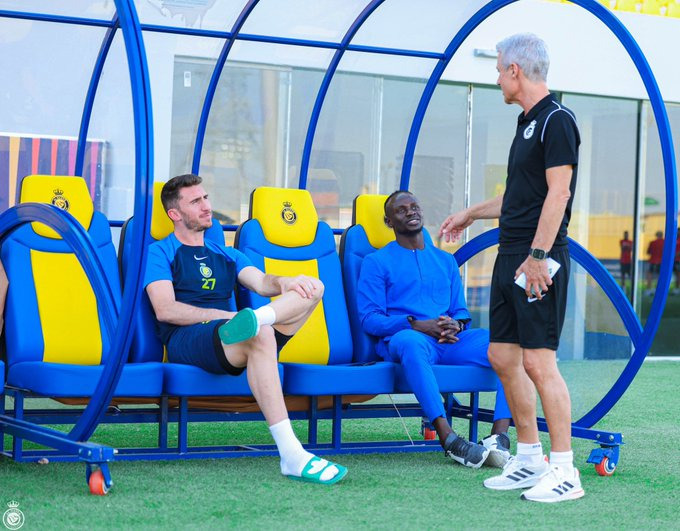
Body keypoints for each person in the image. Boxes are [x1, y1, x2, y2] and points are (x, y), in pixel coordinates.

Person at [440, 33, 584, 502]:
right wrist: (469, 213)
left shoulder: (557, 121)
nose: (497, 76)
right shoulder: (526, 123)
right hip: (510, 257)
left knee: (540, 363)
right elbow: (518, 197)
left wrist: (539, 257)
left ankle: (565, 472)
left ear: (516, 71)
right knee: (504, 357)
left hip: (536, 260)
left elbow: (559, 195)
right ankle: (529, 459)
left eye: (499, 68)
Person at [144, 173, 347, 485]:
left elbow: (263, 282)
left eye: (206, 197)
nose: (206, 206)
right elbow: (165, 309)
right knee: (258, 331)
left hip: (234, 335)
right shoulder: (160, 252)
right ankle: (291, 453)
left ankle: (257, 320)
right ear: (174, 213)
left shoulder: (226, 253)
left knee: (314, 288)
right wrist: (226, 315)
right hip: (188, 338)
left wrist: (287, 282)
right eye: (195, 201)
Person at [357, 190, 512, 469]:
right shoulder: (376, 262)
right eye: (401, 210)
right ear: (389, 221)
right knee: (410, 342)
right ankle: (449, 438)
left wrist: (457, 324)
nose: (411, 212)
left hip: (450, 341)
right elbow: (369, 319)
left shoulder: (445, 261)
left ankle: (499, 437)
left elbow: (461, 312)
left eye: (414, 206)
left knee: (507, 342)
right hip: (409, 339)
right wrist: (414, 324)